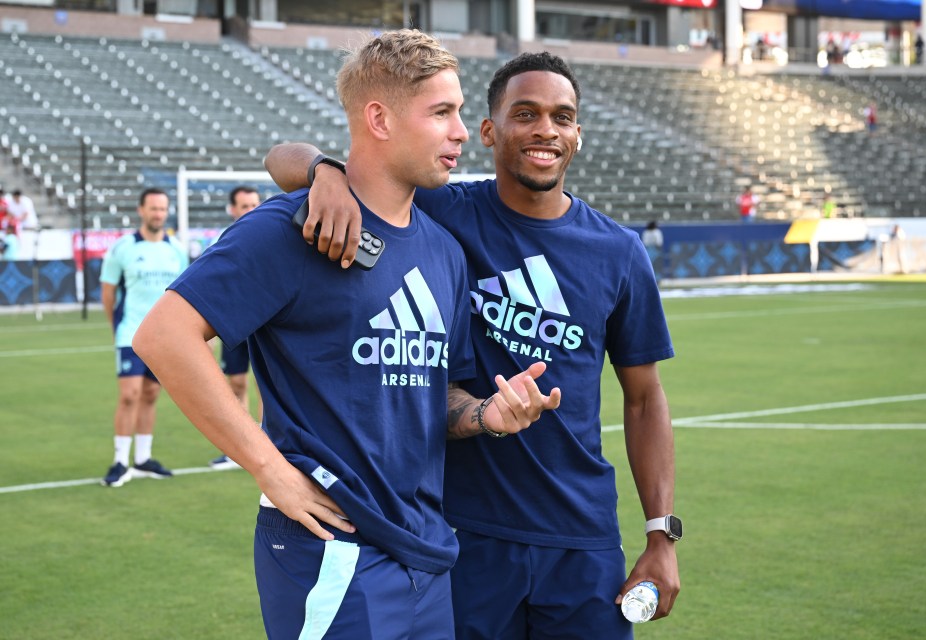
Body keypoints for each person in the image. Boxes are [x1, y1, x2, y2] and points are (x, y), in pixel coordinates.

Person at [133, 30, 560, 640]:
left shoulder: (444, 251)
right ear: (379, 118)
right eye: (442, 112)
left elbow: (435, 396)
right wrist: (268, 467)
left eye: (459, 111)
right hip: (331, 548)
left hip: (428, 553)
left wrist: (491, 414)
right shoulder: (294, 226)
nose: (463, 131)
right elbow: (163, 337)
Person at [266, 50, 680, 640]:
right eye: (526, 114)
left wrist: (661, 535)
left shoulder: (618, 251)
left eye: (563, 118)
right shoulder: (440, 210)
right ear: (488, 130)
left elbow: (644, 400)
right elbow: (281, 158)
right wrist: (326, 173)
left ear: (578, 135)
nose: (545, 130)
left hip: (581, 538)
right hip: (463, 533)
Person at [99, 188, 188, 487]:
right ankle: (120, 461)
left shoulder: (176, 249)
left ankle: (143, 458)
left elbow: (185, 294)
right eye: (153, 208)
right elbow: (108, 292)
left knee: (151, 395)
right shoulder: (123, 248)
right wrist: (117, 327)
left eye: (162, 209)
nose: (158, 214)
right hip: (130, 333)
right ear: (141, 210)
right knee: (129, 395)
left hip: (162, 339)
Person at [209, 185, 262, 471]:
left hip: (266, 325)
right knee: (236, 383)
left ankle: (270, 443)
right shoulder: (224, 242)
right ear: (233, 210)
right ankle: (239, 450)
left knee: (267, 386)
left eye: (255, 204)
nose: (251, 210)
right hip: (236, 325)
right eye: (244, 206)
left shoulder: (274, 238)